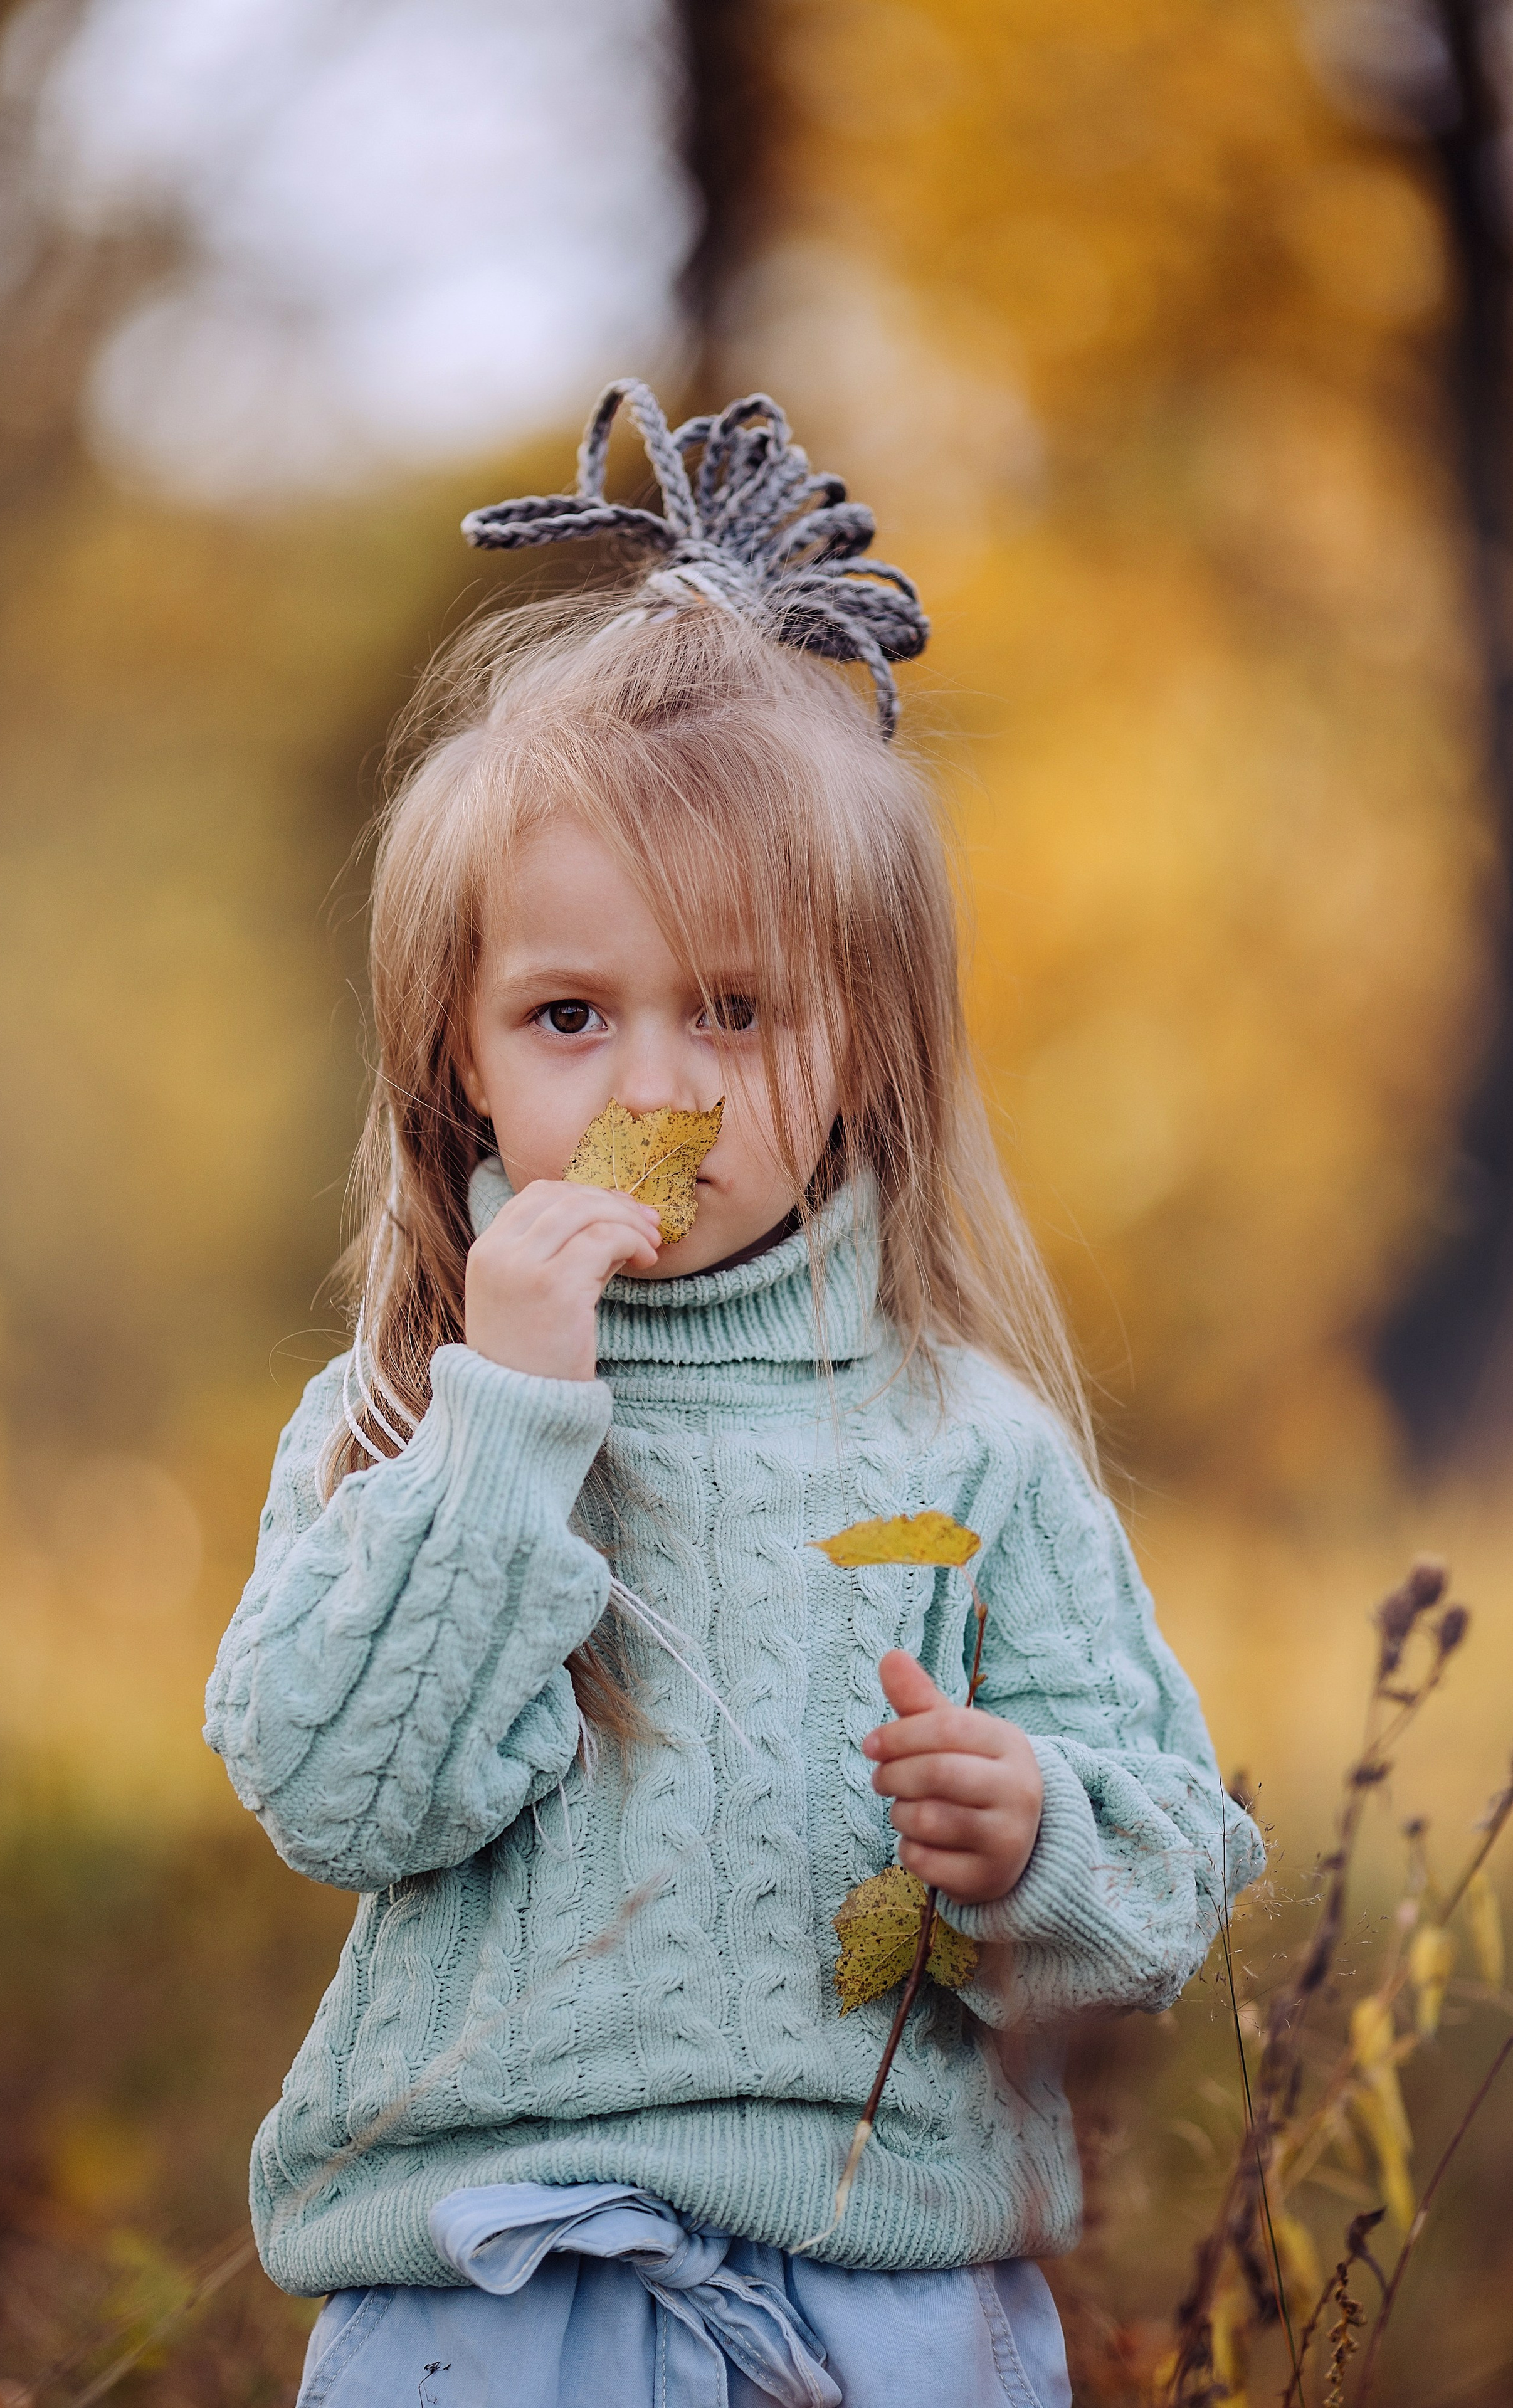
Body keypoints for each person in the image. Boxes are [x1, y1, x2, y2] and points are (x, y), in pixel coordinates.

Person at [204, 381, 1263, 2408]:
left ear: (865, 1049)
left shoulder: (964, 1441)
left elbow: (1164, 1884)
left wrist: (1033, 1828)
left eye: (740, 1010)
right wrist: (508, 1419)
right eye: (574, 1014)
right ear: (464, 1055)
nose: (658, 1093)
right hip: (492, 2299)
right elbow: (344, 1794)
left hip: (887, 2297)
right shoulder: (397, 1416)